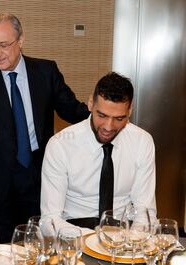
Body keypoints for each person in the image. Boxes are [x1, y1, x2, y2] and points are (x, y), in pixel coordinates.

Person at [0, 13, 90, 243]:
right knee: (6, 246)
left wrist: (97, 114)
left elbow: (71, 110)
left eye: (3, 45)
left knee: (43, 241)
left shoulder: (46, 71)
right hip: (1, 177)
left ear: (20, 41)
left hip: (41, 171)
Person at [41, 72, 156, 233]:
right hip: (74, 231)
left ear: (130, 111)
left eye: (119, 118)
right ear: (90, 104)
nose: (108, 127)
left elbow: (145, 213)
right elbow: (50, 220)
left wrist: (132, 240)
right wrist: (95, 240)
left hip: (124, 233)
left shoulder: (142, 141)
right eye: (102, 115)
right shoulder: (60, 145)